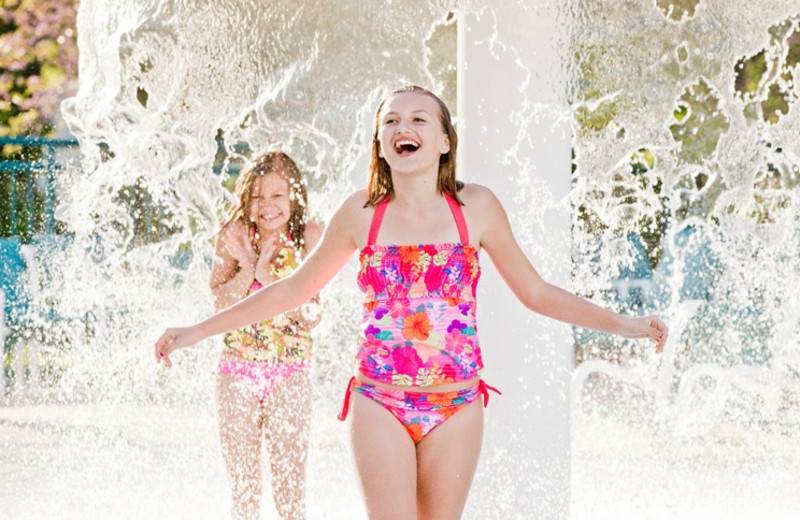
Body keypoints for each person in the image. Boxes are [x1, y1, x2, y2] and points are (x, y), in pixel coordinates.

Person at [155, 85, 667, 519]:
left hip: (458, 404)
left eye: (420, 117)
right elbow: (291, 291)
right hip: (379, 399)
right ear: (381, 143)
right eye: (392, 119)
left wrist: (625, 325)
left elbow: (534, 292)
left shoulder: (478, 208)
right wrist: (197, 330)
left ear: (444, 141)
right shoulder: (360, 213)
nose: (406, 125)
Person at [206, 151, 322, 520]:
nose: (267, 206)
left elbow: (313, 316)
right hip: (237, 372)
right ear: (246, 197)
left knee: (290, 487)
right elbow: (220, 307)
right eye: (258, 196)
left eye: (277, 196)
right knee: (244, 489)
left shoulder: (309, 239)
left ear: (294, 197)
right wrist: (248, 269)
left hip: (290, 372)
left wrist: (273, 281)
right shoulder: (236, 235)